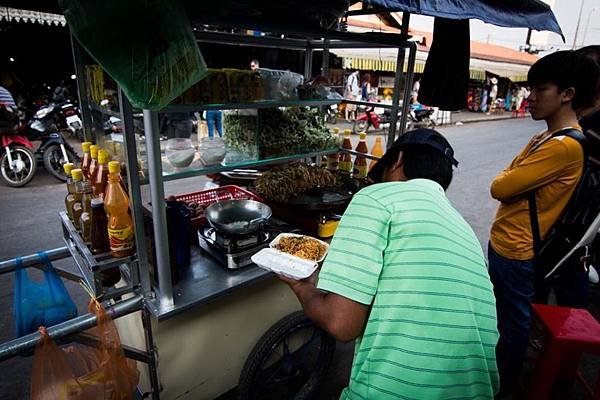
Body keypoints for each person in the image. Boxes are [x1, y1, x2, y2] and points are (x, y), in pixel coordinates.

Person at [280, 128, 500, 400]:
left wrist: (303, 287)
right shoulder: (462, 227)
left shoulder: (377, 198)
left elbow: (342, 324)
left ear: (397, 161)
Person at [488, 50, 600, 396]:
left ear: (567, 94)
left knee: (513, 321)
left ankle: (503, 385)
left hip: (517, 250)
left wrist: (511, 180)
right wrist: (513, 179)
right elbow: (510, 177)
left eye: (540, 90)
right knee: (507, 316)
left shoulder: (563, 145)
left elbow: (500, 185)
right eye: (530, 89)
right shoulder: (545, 137)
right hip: (507, 242)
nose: (530, 98)